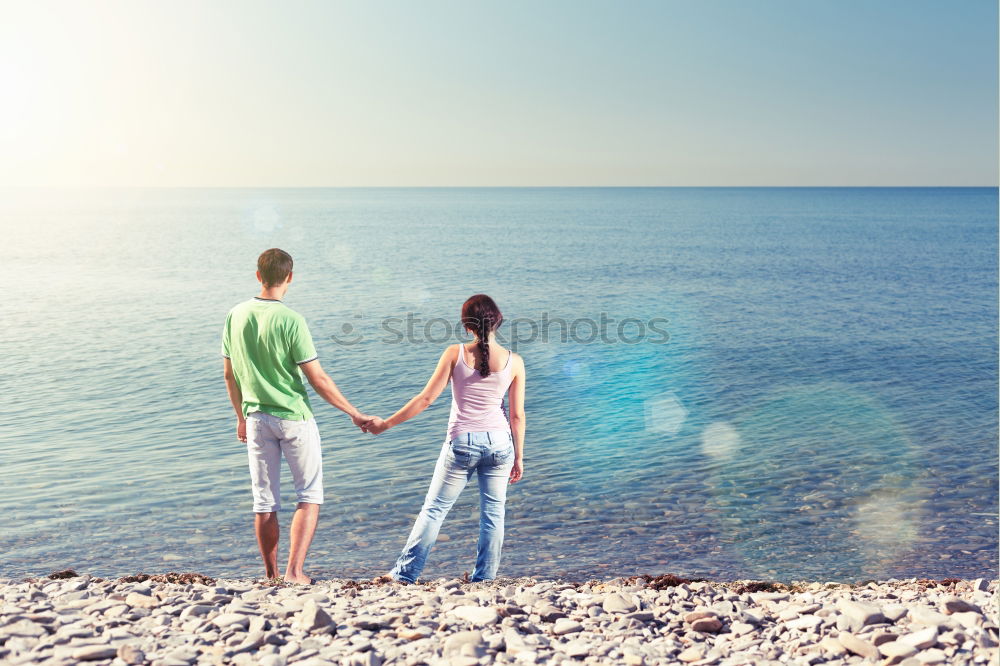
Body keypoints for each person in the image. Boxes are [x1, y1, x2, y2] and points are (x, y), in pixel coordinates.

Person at [222, 248, 372, 583]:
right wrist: (353, 413)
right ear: (290, 277)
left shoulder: (235, 315)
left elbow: (229, 375)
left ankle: (272, 575)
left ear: (258, 275)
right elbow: (317, 378)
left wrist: (240, 417)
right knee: (309, 494)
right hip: (293, 417)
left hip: (256, 418)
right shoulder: (291, 320)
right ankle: (295, 572)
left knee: (264, 500)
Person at [364, 294, 525, 583]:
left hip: (462, 442)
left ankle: (404, 575)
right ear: (497, 320)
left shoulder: (455, 353)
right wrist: (519, 456)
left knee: (435, 509)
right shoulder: (515, 362)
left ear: (467, 326)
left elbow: (425, 399)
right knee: (493, 514)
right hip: (501, 445)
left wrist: (386, 424)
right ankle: (484, 579)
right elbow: (517, 416)